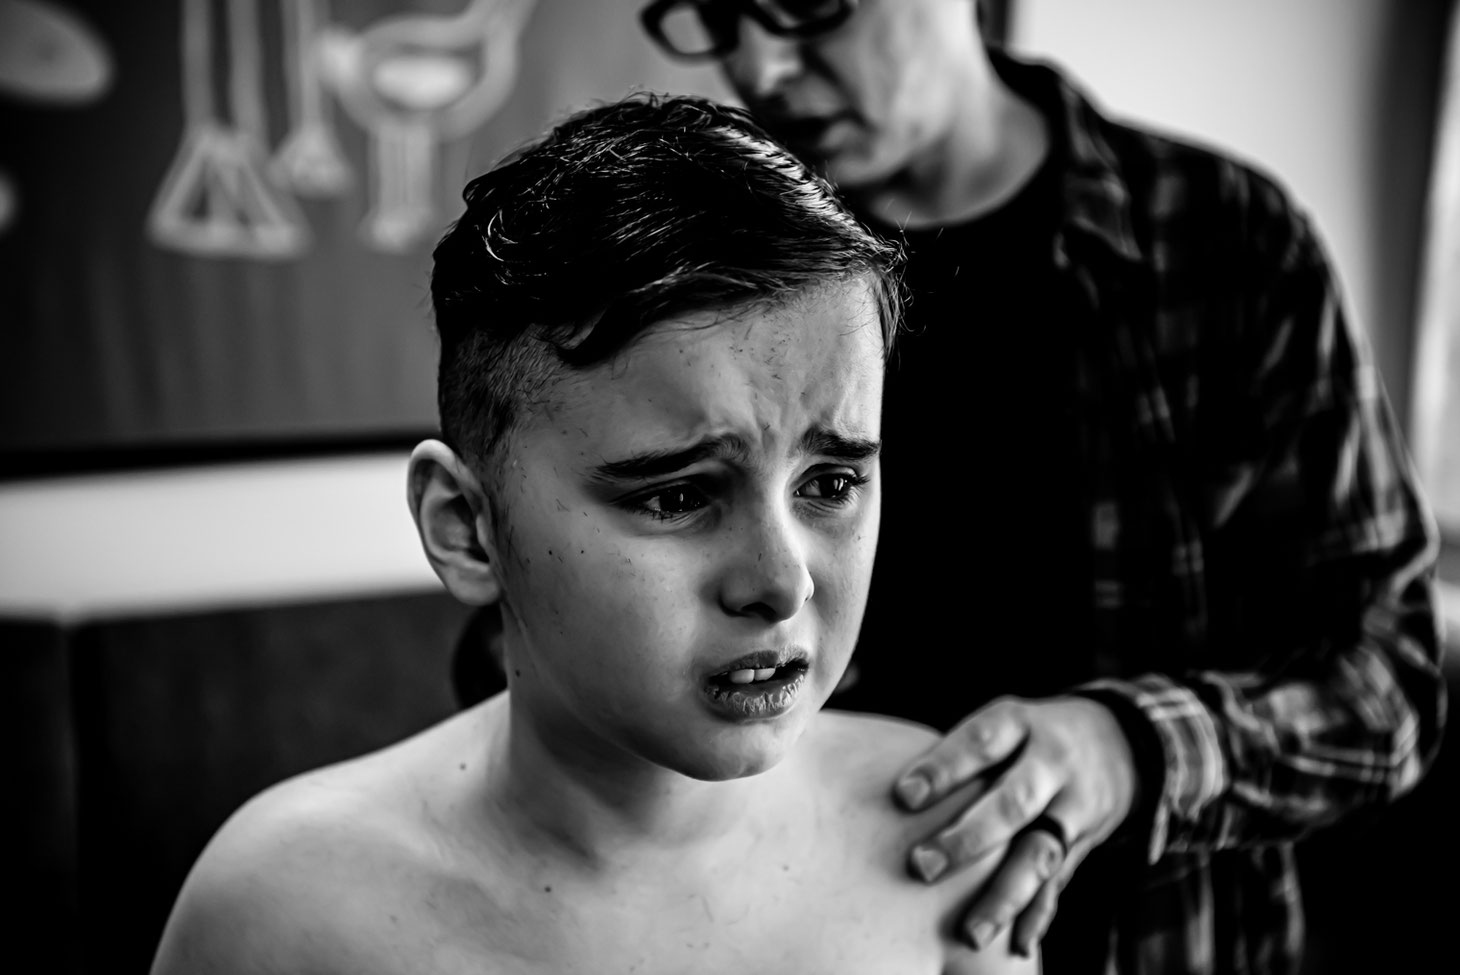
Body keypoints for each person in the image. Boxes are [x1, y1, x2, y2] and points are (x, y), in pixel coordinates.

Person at [149, 92, 1047, 974]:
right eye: (676, 497)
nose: (783, 582)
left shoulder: (949, 837)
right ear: (466, 527)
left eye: (833, 481)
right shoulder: (284, 911)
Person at [635, 2, 1447, 974]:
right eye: (718, 18)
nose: (759, 66)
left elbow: (1386, 682)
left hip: (1160, 944)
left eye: (810, 5)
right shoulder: (692, 271)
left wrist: (1131, 750)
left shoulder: (1223, 242)